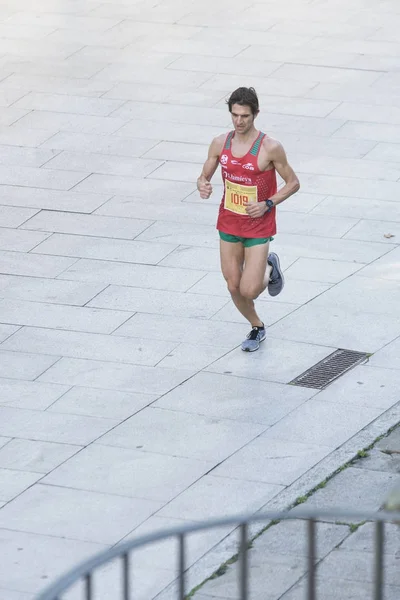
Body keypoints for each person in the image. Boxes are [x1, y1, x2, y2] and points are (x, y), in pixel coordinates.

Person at [197, 87, 300, 352]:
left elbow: (293, 183)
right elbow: (204, 174)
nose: (239, 121)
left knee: (250, 290)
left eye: (245, 116)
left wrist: (268, 203)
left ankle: (269, 266)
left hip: (258, 225)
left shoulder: (270, 147)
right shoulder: (220, 143)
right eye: (234, 115)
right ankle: (257, 327)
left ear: (256, 114)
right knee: (233, 285)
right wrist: (202, 184)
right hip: (229, 221)